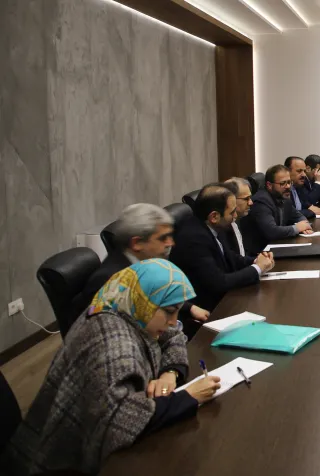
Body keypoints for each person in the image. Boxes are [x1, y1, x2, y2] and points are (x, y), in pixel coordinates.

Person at [1, 260, 222, 475]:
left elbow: (174, 336)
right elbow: (119, 421)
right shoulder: (113, 344)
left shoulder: (123, 304)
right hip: (62, 460)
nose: (174, 321)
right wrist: (189, 396)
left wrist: (169, 373)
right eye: (169, 311)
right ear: (143, 299)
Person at [169, 184, 275, 337]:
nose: (235, 216)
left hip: (224, 301)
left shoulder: (213, 227)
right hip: (207, 315)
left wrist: (257, 261)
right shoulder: (194, 238)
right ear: (214, 216)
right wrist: (257, 269)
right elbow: (219, 283)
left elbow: (230, 258)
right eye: (231, 212)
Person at [79, 204, 210, 324]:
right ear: (137, 243)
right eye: (163, 238)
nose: (171, 243)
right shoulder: (111, 281)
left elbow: (160, 293)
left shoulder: (146, 262)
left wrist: (189, 307)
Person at [240, 164, 314, 255]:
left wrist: (304, 226)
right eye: (283, 183)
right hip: (259, 254)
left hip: (276, 249)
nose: (288, 186)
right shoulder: (261, 201)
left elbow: (298, 216)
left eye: (289, 182)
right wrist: (297, 228)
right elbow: (272, 231)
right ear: (269, 185)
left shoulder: (284, 198)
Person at [222, 177, 254, 257]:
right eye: (246, 199)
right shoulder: (222, 228)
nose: (251, 202)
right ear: (231, 199)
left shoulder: (241, 219)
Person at [284, 156, 320, 220]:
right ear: (287, 171)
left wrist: (310, 207)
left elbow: (307, 203)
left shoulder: (299, 186)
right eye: (299, 171)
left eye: (304, 171)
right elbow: (289, 215)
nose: (304, 175)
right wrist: (311, 212)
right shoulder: (283, 189)